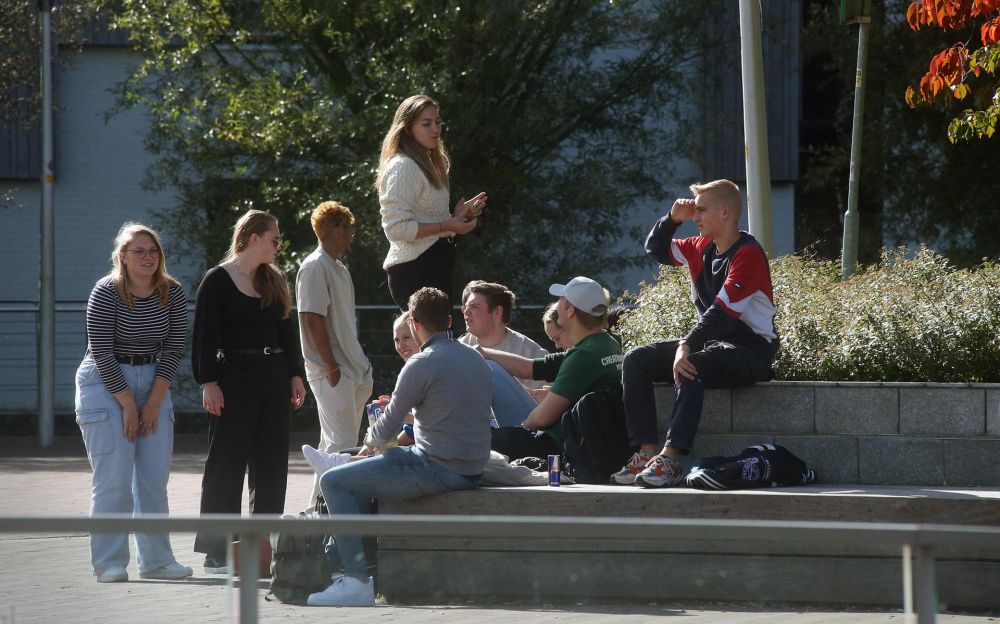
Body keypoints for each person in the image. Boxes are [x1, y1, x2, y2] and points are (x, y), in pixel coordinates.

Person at [307, 287, 494, 607]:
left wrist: (367, 446)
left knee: (332, 482)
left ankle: (355, 580)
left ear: (414, 323)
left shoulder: (422, 362)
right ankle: (342, 563)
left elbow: (389, 423)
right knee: (359, 472)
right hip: (472, 467)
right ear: (449, 320)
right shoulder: (474, 357)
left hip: (437, 466)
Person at [613, 179, 778, 488]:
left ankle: (671, 460)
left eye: (701, 210)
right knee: (635, 360)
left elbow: (722, 311)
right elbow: (657, 249)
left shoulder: (748, 253)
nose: (696, 216)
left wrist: (686, 345)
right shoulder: (700, 247)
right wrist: (672, 218)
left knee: (693, 365)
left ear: (726, 211)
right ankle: (647, 454)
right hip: (713, 344)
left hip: (752, 351)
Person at [191, 209, 308, 573]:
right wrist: (207, 381)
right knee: (226, 462)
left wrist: (295, 374)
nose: (278, 245)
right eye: (274, 239)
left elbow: (287, 333)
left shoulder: (275, 280)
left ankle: (261, 547)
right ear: (253, 237)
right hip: (233, 378)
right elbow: (204, 337)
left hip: (273, 377)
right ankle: (217, 548)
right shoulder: (217, 281)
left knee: (271, 463)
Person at [74, 223, 192, 583]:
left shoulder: (172, 292)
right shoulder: (106, 292)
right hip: (105, 383)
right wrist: (127, 404)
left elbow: (173, 349)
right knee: (114, 479)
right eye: (138, 251)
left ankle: (157, 561)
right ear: (122, 257)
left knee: (153, 478)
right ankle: (109, 562)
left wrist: (153, 403)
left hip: (153, 380)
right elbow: (102, 351)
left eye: (153, 251)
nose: (147, 257)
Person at [478, 276, 624, 461]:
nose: (557, 304)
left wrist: (517, 432)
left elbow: (541, 419)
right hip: (576, 438)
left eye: (561, 300)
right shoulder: (605, 343)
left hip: (556, 444)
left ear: (571, 311)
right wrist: (483, 352)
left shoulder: (584, 356)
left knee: (476, 439)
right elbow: (528, 367)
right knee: (490, 367)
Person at [296, 200, 373, 503]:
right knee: (341, 445)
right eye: (349, 229)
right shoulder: (314, 266)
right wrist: (330, 366)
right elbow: (311, 317)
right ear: (337, 228)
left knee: (334, 446)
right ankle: (330, 513)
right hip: (333, 370)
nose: (351, 236)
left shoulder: (338, 268)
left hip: (351, 368)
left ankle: (316, 513)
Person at [377, 94, 487, 308]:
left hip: (433, 266)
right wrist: (446, 225)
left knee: (442, 339)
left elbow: (430, 220)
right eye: (426, 124)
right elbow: (395, 229)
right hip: (414, 270)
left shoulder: (426, 163)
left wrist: (455, 217)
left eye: (437, 123)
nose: (435, 130)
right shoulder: (403, 166)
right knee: (434, 340)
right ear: (408, 128)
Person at [300, 311, 418, 474]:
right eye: (396, 340)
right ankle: (342, 461)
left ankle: (340, 463)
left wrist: (384, 440)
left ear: (419, 333)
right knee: (371, 443)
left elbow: (416, 428)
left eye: (406, 338)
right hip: (411, 438)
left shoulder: (421, 368)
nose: (401, 345)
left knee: (375, 450)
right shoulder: (411, 369)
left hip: (421, 446)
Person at [458, 280, 548, 427]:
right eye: (465, 307)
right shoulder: (457, 349)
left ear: (497, 312)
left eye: (474, 307)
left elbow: (540, 409)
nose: (466, 312)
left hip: (519, 433)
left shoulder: (530, 352)